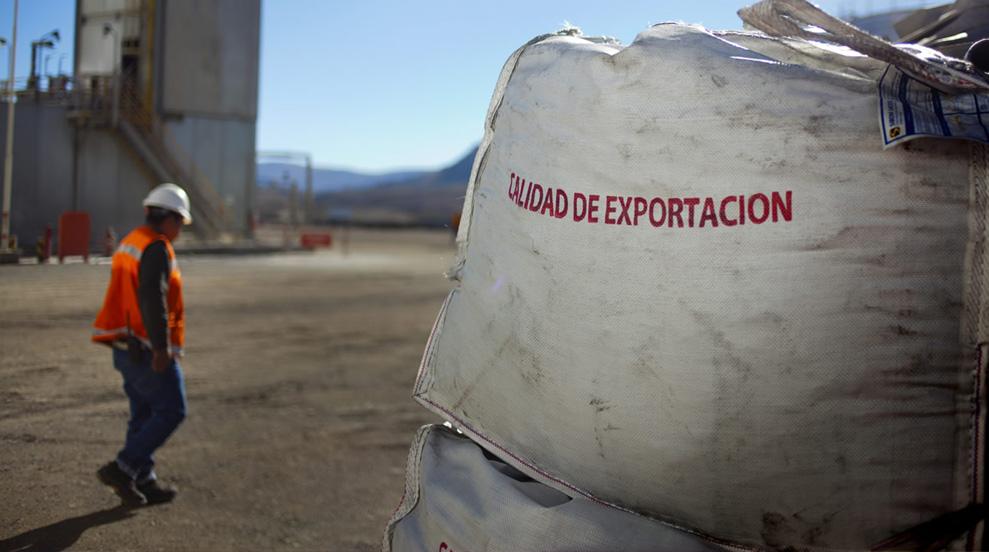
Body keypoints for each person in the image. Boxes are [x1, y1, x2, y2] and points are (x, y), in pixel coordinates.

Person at [91, 183, 192, 507]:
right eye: (180, 222)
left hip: (125, 346)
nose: (180, 229)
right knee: (173, 410)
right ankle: (123, 467)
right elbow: (152, 297)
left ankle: (143, 479)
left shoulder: (129, 242)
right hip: (147, 348)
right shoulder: (155, 247)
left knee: (144, 414)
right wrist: (162, 349)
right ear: (168, 218)